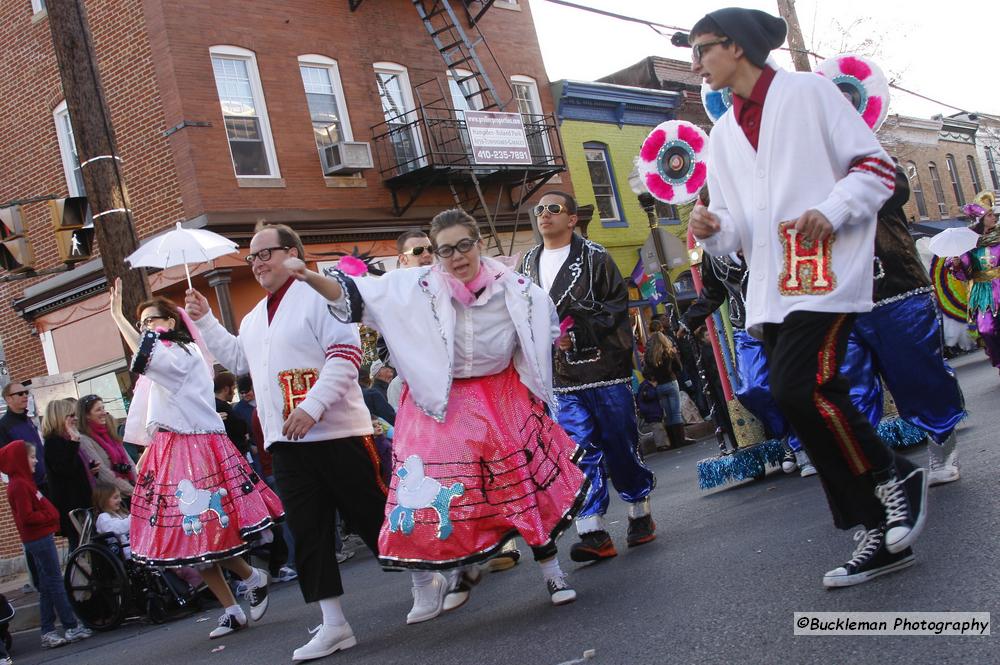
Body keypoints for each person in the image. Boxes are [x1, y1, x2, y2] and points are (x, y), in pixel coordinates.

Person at [688, 7, 927, 588]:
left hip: (827, 274)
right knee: (800, 398)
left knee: (801, 388)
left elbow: (878, 170)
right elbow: (737, 234)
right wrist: (710, 227)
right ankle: (873, 524)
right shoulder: (721, 137)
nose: (696, 64)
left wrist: (834, 207)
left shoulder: (810, 94)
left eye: (703, 50)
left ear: (737, 47)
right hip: (772, 289)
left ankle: (893, 478)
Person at [286, 209, 587, 617]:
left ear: (479, 243)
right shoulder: (415, 288)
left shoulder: (516, 290)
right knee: (448, 492)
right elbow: (354, 295)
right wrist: (308, 276)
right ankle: (464, 568)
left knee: (518, 487)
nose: (457, 256)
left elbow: (544, 331)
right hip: (438, 406)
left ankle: (553, 572)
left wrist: (543, 361)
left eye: (464, 245)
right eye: (446, 250)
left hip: (499, 398)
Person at [185, 222, 390, 662]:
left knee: (371, 513)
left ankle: (423, 578)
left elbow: (346, 356)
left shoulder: (322, 294)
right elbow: (241, 359)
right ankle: (334, 623)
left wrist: (313, 406)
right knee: (308, 531)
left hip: (336, 433)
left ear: (292, 253)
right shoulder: (256, 316)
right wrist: (204, 320)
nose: (257, 263)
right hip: (285, 443)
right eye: (252, 257)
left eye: (266, 254)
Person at [110, 287, 282, 640]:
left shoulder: (181, 353)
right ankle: (233, 607)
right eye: (141, 324)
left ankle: (251, 577)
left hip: (194, 448)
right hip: (171, 447)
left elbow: (146, 357)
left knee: (203, 528)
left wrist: (120, 320)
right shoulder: (162, 358)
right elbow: (157, 404)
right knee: (188, 538)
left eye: (150, 321)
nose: (145, 328)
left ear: (170, 322)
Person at [518, 192, 656, 562]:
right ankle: (592, 530)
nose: (544, 216)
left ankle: (639, 510)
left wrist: (576, 329)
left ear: (572, 218)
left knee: (620, 445)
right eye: (538, 211)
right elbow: (521, 312)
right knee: (578, 453)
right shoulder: (526, 263)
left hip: (604, 372)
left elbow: (614, 310)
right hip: (561, 379)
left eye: (553, 209)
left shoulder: (596, 258)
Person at [852, 168, 966, 486]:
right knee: (848, 390)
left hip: (896, 289)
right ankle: (876, 471)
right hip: (838, 301)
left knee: (919, 375)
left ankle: (942, 445)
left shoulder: (866, 156)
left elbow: (896, 187)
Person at [0, 440, 93, 649]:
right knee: (55, 582)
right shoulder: (20, 486)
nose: (35, 461)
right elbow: (26, 517)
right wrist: (49, 516)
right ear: (19, 461)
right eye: (31, 457)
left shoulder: (25, 483)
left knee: (47, 586)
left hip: (40, 536)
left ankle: (48, 629)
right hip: (38, 538)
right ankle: (70, 625)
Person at [949, 193, 1000, 374]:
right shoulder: (969, 244)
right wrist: (957, 264)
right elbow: (964, 273)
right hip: (982, 291)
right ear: (980, 220)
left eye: (994, 214)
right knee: (986, 329)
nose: (994, 217)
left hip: (999, 285)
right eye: (989, 215)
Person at [41, 398, 98, 551]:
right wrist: (74, 441)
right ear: (60, 417)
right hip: (71, 506)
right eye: (71, 415)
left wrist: (90, 469)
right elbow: (64, 469)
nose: (75, 419)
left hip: (82, 501)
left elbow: (73, 466)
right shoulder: (53, 442)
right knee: (79, 547)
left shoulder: (66, 441)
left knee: (88, 544)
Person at [76, 395, 136, 499]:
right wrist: (133, 491)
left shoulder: (109, 434)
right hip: (114, 498)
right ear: (86, 415)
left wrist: (138, 486)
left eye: (103, 408)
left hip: (132, 491)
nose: (104, 412)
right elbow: (104, 473)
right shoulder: (84, 440)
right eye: (98, 410)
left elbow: (129, 462)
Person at [0, 382, 47, 495]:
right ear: (8, 399)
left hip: (47, 482)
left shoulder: (28, 420)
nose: (25, 396)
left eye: (26, 392)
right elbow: (6, 462)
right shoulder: (4, 426)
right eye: (20, 393)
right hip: (31, 488)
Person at [642, 330, 686, 448]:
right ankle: (680, 439)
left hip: (659, 385)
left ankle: (672, 441)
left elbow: (645, 372)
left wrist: (653, 380)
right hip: (671, 382)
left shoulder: (649, 356)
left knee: (667, 414)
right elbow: (679, 367)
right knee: (675, 412)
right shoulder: (670, 352)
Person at [215, 371, 251, 456]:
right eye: (233, 388)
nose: (234, 392)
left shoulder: (214, 406)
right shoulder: (222, 408)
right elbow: (239, 428)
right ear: (226, 389)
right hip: (234, 455)